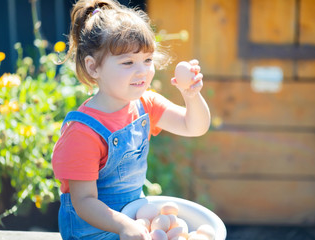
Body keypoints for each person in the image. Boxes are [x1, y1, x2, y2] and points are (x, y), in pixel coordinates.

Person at [51, 0, 210, 239]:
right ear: (94, 68)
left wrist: (192, 96)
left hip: (133, 224)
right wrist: (124, 226)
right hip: (94, 232)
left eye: (147, 60)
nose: (143, 71)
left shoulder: (146, 104)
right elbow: (84, 202)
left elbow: (194, 126)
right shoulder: (83, 132)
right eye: (128, 62)